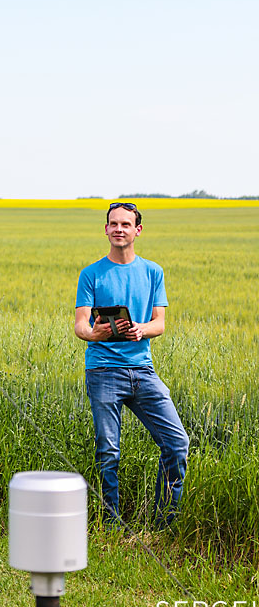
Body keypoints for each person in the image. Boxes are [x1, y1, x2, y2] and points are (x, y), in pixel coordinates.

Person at [74, 202, 189, 526]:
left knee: (177, 443)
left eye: (126, 224)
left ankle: (163, 523)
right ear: (106, 229)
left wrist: (140, 329)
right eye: (113, 224)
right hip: (103, 372)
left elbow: (159, 323)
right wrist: (95, 333)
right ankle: (111, 525)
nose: (119, 229)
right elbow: (81, 325)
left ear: (137, 230)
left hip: (143, 371)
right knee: (108, 452)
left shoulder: (153, 271)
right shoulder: (91, 273)